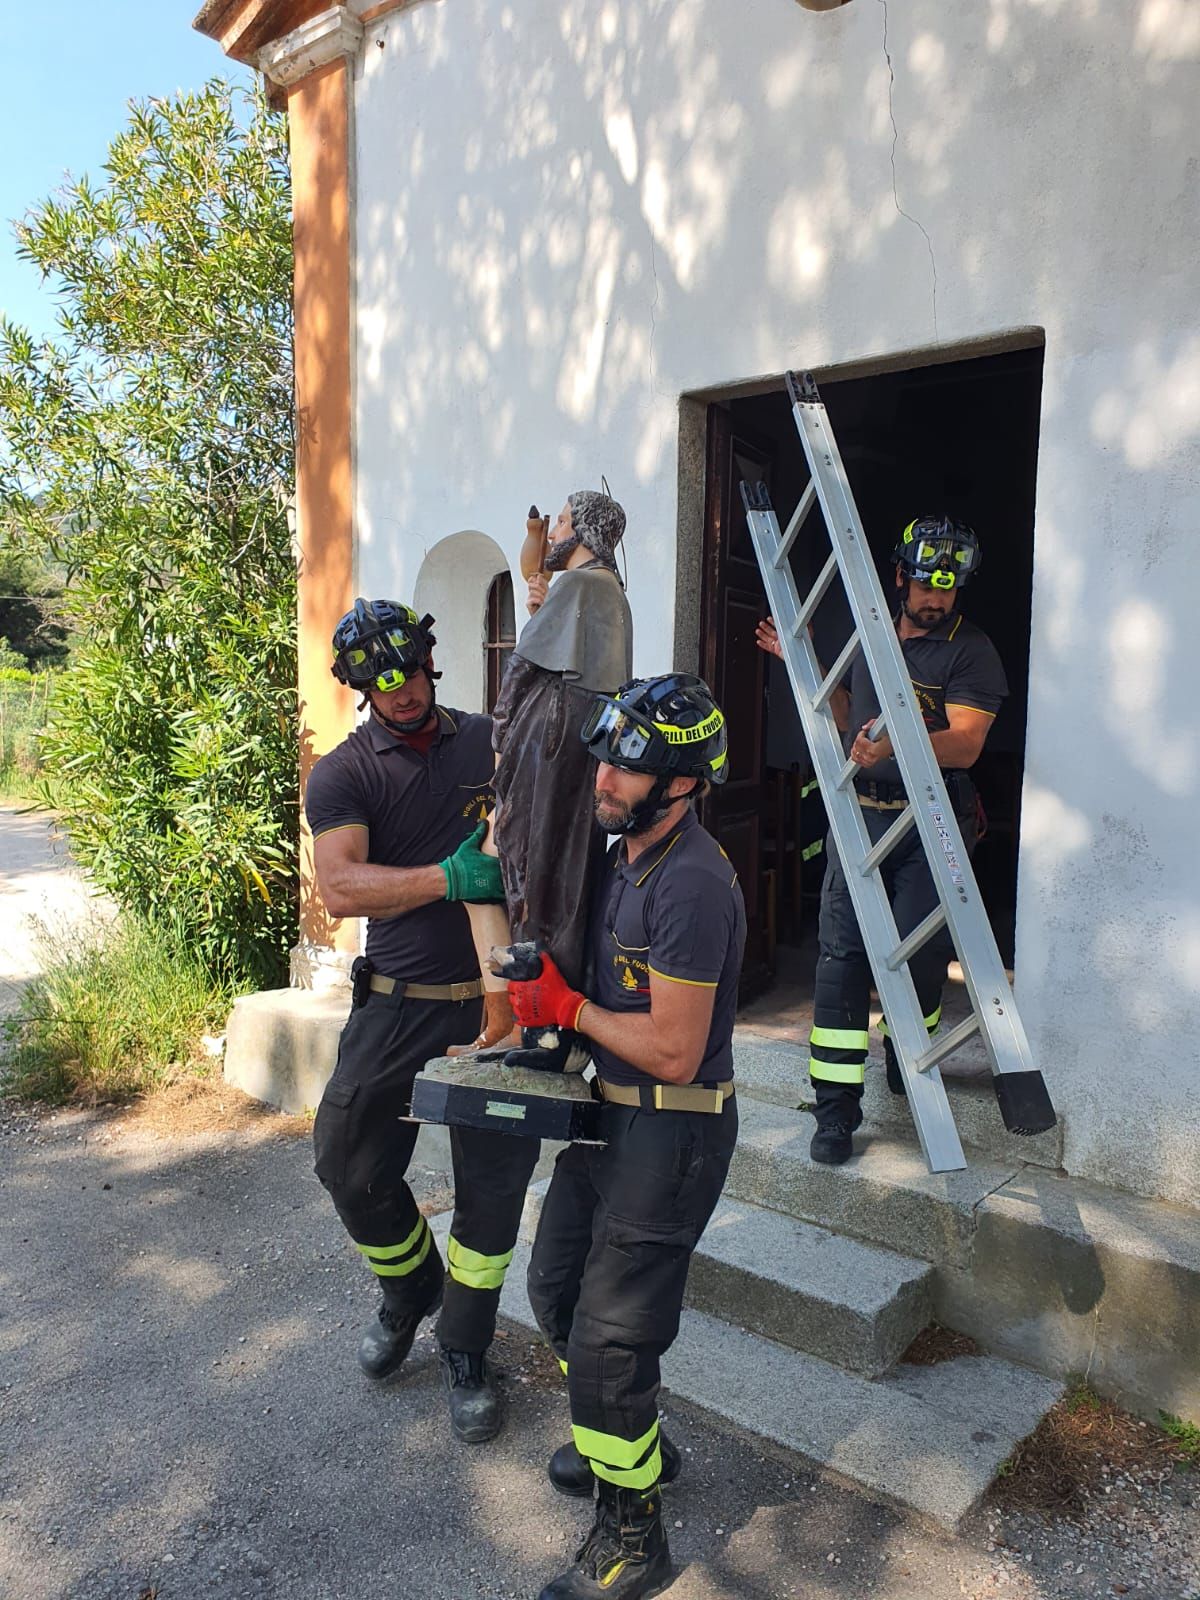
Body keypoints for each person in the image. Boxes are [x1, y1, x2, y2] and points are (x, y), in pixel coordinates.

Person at [510, 673, 745, 1600]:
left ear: (683, 784)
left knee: (610, 1343)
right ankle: (629, 1444)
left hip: (672, 1134)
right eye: (605, 754)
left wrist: (570, 1008)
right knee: (554, 1284)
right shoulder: (625, 854)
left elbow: (678, 1051)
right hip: (610, 1116)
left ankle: (633, 1538)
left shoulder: (690, 881)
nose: (603, 776)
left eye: (627, 766)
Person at [305, 599, 540, 1442]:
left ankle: (467, 1348)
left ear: (429, 661)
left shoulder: (487, 740)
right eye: (379, 679)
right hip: (397, 1007)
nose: (399, 690)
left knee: (492, 1192)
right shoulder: (344, 773)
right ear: (361, 685)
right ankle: (410, 1290)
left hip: (495, 1011)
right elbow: (341, 886)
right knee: (349, 1165)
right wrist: (450, 876)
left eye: (408, 670)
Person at [757, 515, 1007, 1165]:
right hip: (861, 814)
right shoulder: (869, 636)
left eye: (949, 590)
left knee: (919, 953)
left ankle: (907, 1050)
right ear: (901, 577)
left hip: (933, 820)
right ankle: (835, 1109)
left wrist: (897, 741)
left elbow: (967, 743)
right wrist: (806, 661)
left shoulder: (971, 649)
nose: (936, 600)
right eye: (927, 585)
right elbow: (846, 714)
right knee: (840, 956)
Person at [487, 489, 634, 1070]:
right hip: (573, 742)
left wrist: (500, 742)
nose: (552, 532)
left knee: (533, 870)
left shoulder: (579, 586)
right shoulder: (609, 590)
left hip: (545, 740)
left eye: (565, 522)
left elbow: (521, 671)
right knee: (563, 872)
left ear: (587, 530)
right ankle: (557, 1031)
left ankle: (545, 1030)